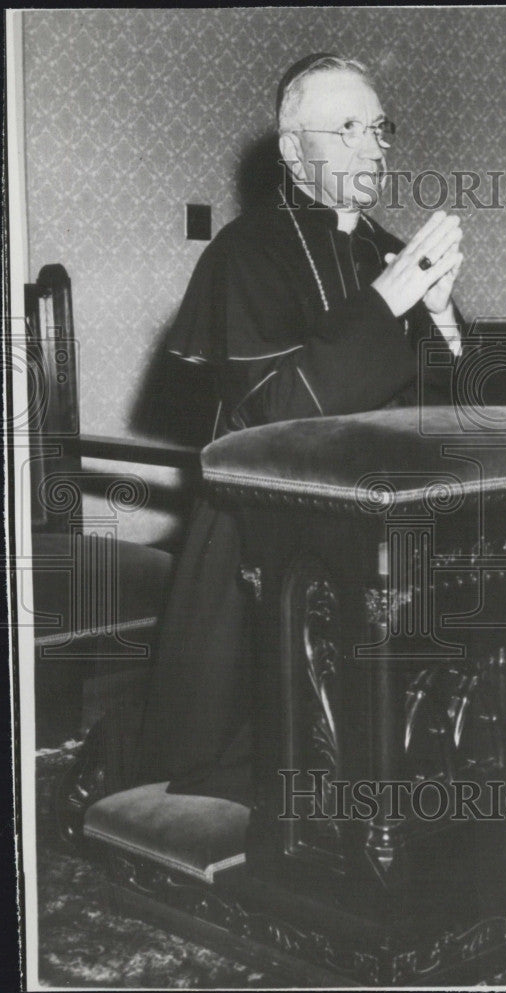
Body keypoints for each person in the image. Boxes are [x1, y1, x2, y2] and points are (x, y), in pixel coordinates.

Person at [71, 53, 466, 813]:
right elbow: (274, 411)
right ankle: (116, 748)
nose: (372, 145)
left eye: (378, 127)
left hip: (382, 514)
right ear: (294, 151)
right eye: (345, 127)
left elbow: (446, 409)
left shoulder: (390, 253)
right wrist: (384, 308)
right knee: (229, 755)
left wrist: (441, 314)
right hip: (261, 528)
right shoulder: (245, 253)